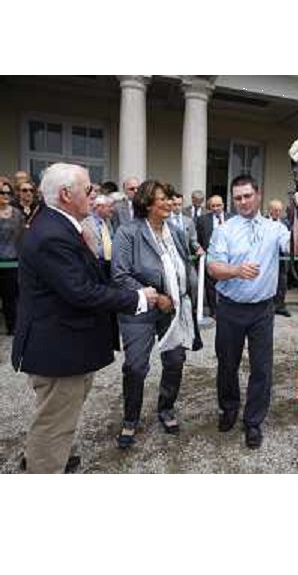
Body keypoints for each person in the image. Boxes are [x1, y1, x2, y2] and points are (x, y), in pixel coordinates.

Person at [11, 163, 157, 473]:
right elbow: (81, 292)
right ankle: (44, 469)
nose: (95, 195)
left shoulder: (57, 224)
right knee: (54, 423)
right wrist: (137, 298)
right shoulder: (52, 233)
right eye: (88, 189)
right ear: (66, 194)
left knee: (57, 417)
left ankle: (55, 457)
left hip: (63, 344)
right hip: (58, 349)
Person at [112, 180, 199, 449]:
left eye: (169, 198)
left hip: (173, 308)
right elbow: (120, 275)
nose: (169, 203)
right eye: (162, 198)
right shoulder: (128, 232)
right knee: (136, 366)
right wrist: (155, 296)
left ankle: (166, 408)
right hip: (140, 309)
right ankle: (130, 419)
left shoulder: (176, 231)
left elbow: (184, 265)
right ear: (147, 203)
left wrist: (189, 293)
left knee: (175, 360)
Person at [207, 175, 290, 449]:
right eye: (238, 197)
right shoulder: (224, 230)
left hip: (262, 311)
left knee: (262, 368)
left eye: (247, 196)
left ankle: (253, 422)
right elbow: (213, 268)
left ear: (258, 195)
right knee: (227, 364)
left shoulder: (275, 228)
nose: (243, 202)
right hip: (230, 308)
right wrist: (236, 270)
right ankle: (229, 408)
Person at [197, 194, 232, 317]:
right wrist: (199, 248)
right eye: (213, 206)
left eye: (219, 205)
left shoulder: (232, 218)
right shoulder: (202, 220)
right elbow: (198, 239)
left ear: (223, 205)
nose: (216, 208)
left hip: (229, 258)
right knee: (211, 285)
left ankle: (227, 309)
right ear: (209, 207)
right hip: (211, 258)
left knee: (228, 283)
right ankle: (214, 311)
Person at [0, 180, 25, 335]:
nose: (6, 195)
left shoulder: (17, 214)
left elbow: (22, 237)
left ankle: (12, 328)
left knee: (10, 299)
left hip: (12, 262)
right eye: (2, 193)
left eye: (8, 192)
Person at [268, 198, 292, 317]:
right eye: (276, 210)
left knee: (282, 282)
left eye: (280, 210)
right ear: (270, 210)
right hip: (268, 258)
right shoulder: (263, 222)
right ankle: (269, 306)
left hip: (282, 258)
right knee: (268, 281)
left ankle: (280, 306)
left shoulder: (285, 223)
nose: (278, 212)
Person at [82, 194, 115, 278]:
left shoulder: (107, 221)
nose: (112, 209)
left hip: (108, 262)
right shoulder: (85, 221)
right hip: (94, 263)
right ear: (99, 207)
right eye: (109, 206)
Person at [170, 192, 203, 259]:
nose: (177, 207)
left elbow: (193, 240)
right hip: (170, 256)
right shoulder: (164, 220)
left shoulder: (188, 221)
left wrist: (198, 248)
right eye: (174, 204)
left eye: (179, 205)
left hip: (185, 256)